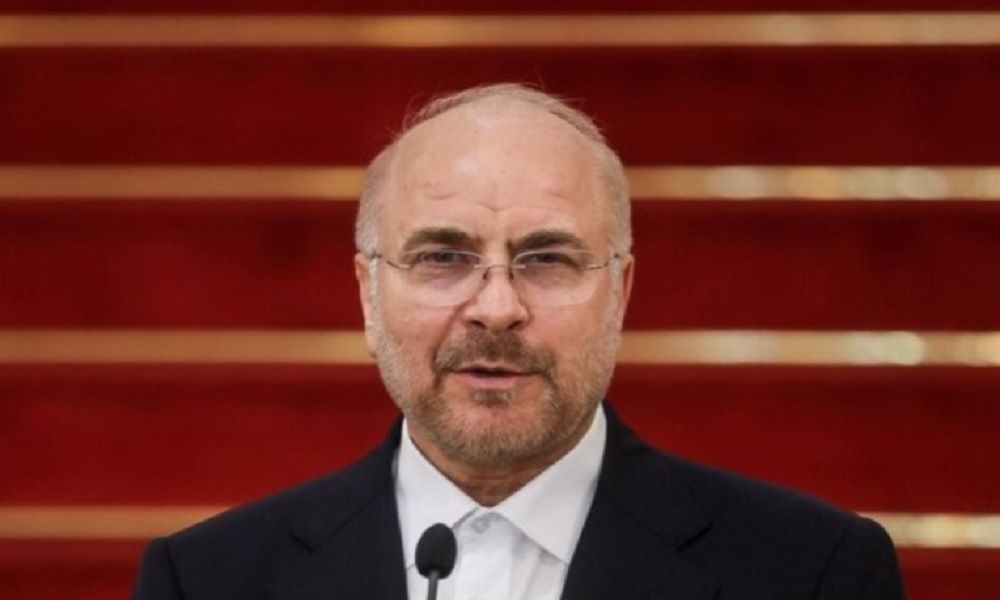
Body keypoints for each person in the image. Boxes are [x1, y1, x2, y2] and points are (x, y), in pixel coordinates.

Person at [133, 83, 906, 599]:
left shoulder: (814, 574)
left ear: (620, 292)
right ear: (369, 294)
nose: (496, 308)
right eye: (443, 257)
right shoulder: (207, 582)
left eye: (547, 259)